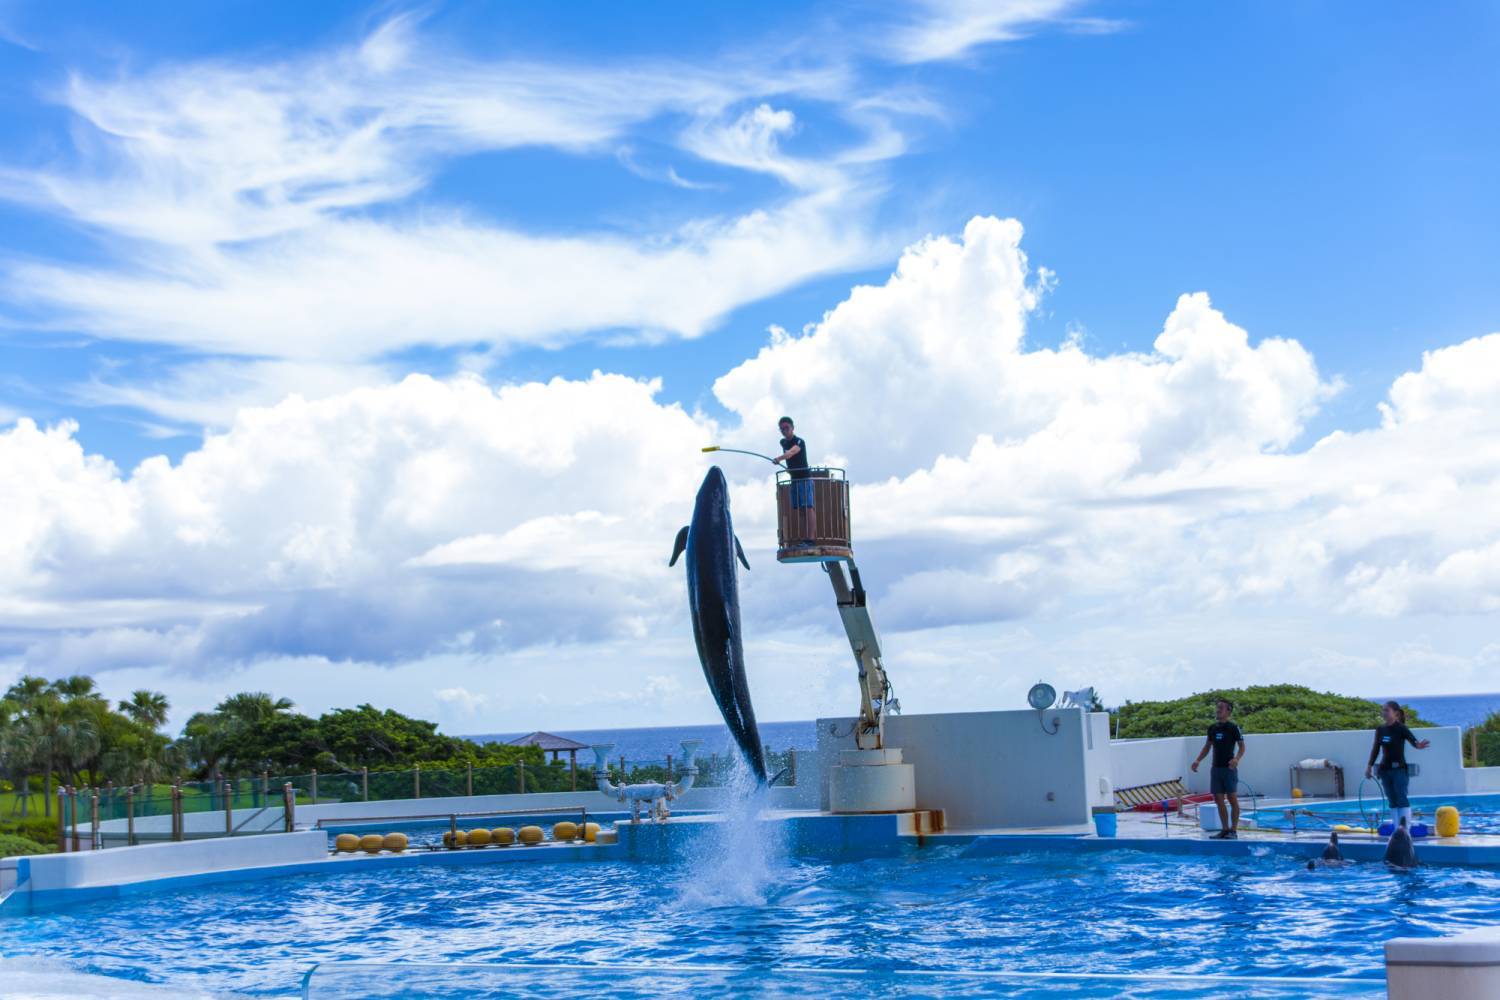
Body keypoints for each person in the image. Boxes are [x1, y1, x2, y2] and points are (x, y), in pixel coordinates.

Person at [1366, 700, 1429, 832]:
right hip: (1385, 770)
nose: (1384, 713)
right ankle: (1396, 829)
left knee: (1401, 798)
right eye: (1383, 710)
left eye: (1387, 710)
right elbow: (1376, 749)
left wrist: (1419, 745)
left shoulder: (1401, 728)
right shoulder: (1380, 729)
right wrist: (1369, 766)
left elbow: (1413, 741)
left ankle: (1405, 829)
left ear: (1395, 713)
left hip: (1399, 770)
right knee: (1392, 800)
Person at [1190, 698, 1246, 839]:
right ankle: (1225, 829)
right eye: (1217, 707)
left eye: (1221, 708)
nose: (1218, 710)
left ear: (1228, 711)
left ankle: (1233, 830)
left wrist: (1236, 759)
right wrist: (1198, 760)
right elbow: (1207, 746)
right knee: (1218, 800)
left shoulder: (1233, 728)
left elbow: (1242, 747)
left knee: (1232, 799)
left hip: (1229, 769)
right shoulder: (1213, 728)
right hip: (1216, 769)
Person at [773, 416, 813, 510]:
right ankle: (803, 525)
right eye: (782, 429)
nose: (784, 431)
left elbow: (791, 453)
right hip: (794, 479)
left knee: (808, 508)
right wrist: (789, 468)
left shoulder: (799, 441)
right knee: (799, 509)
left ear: (792, 428)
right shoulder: (783, 442)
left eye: (787, 428)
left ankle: (811, 525)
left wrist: (779, 459)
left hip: (804, 478)